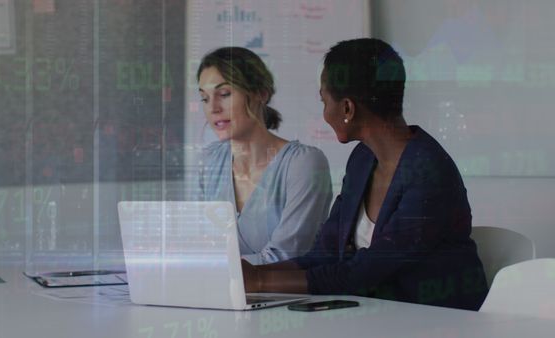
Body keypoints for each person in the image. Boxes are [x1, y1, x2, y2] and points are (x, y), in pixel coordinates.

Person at [242, 38, 489, 310]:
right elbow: (325, 254)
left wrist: (261, 282)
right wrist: (253, 275)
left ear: (347, 108)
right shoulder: (362, 159)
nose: (324, 113)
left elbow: (362, 273)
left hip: (439, 322)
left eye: (324, 101)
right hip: (378, 316)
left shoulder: (428, 173)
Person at [196, 47, 333, 265]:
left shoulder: (303, 164)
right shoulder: (209, 161)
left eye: (224, 94)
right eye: (204, 98)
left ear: (261, 93)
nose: (213, 108)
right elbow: (201, 249)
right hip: (221, 296)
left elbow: (286, 258)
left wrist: (211, 268)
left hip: (289, 297)